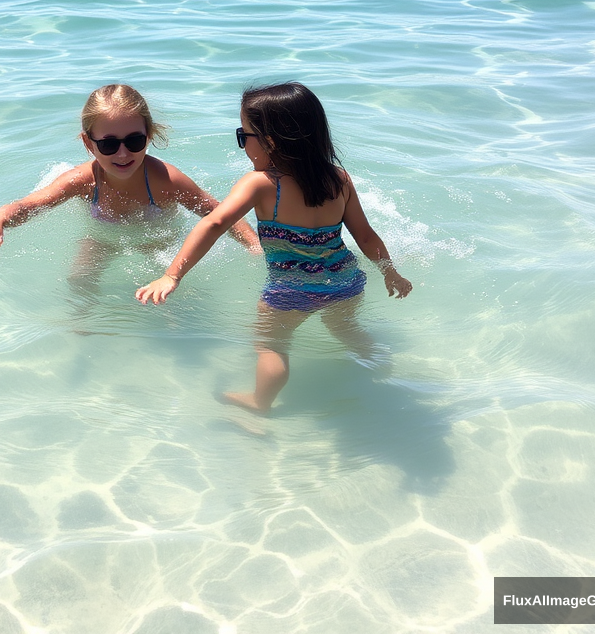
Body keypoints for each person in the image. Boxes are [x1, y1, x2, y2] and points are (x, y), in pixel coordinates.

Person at [136, 82, 412, 412]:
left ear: (269, 141)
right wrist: (390, 272)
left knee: (271, 345)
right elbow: (366, 236)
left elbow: (212, 224)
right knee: (345, 327)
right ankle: (378, 366)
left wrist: (172, 275)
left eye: (244, 136)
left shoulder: (261, 184)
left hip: (289, 291)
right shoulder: (338, 178)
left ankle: (259, 403)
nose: (243, 146)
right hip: (345, 281)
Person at [0, 85, 260, 292]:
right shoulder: (80, 180)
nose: (122, 154)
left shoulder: (165, 179)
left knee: (168, 283)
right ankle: (84, 329)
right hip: (103, 236)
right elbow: (31, 204)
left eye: (134, 141)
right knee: (78, 280)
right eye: (108, 144)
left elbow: (216, 212)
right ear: (88, 143)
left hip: (157, 237)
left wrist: (253, 247)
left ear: (149, 135)